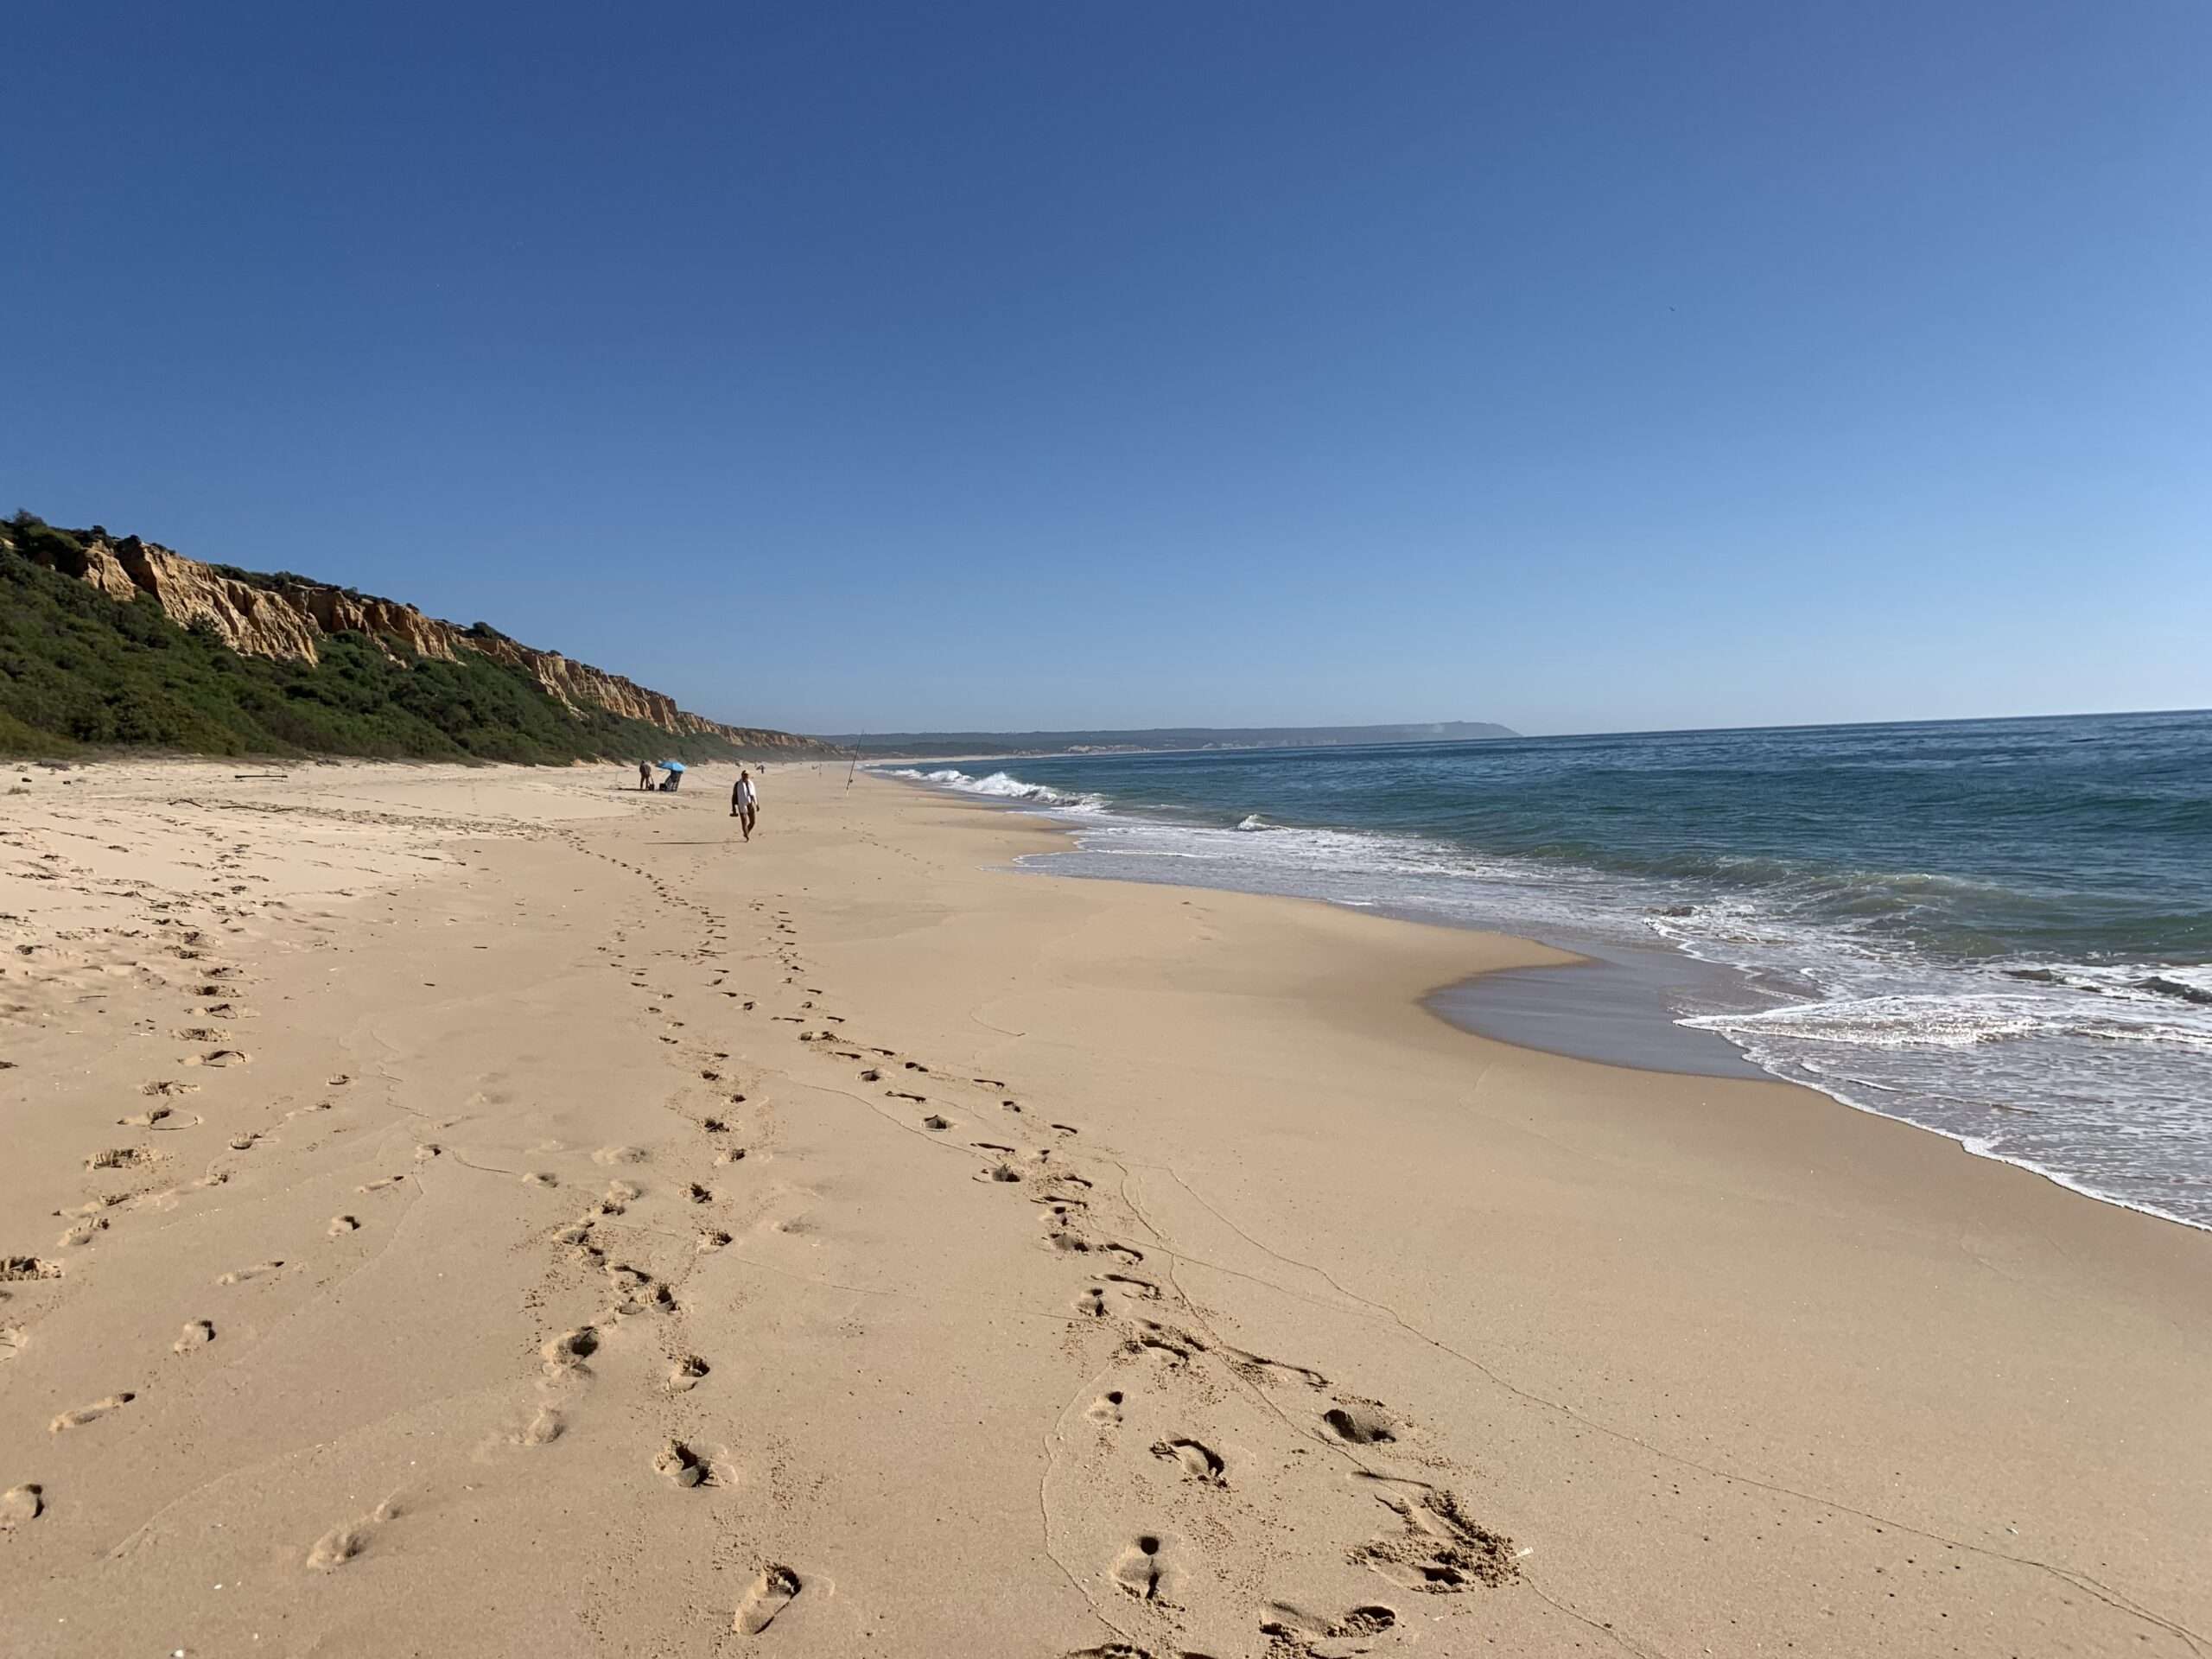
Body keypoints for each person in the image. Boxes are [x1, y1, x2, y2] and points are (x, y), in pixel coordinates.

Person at [733, 767, 758, 840]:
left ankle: (746, 832)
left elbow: (754, 795)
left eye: (746, 775)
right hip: (742, 804)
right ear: (741, 775)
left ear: (748, 776)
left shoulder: (751, 784)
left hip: (750, 804)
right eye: (744, 775)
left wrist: (757, 804)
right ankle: (747, 836)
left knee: (753, 822)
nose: (745, 776)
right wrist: (733, 808)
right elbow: (734, 796)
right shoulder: (738, 784)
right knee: (744, 822)